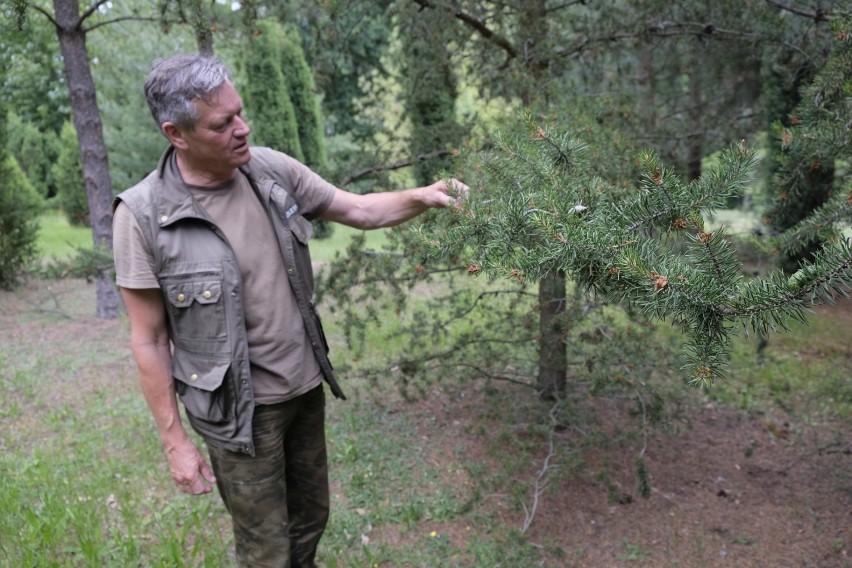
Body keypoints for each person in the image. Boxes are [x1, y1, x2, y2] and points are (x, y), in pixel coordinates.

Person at [112, 54, 466, 567]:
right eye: (223, 123)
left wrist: (424, 195)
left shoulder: (269, 169)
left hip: (303, 391)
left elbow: (359, 210)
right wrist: (175, 443)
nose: (243, 128)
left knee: (310, 521)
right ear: (177, 133)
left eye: (239, 112)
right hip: (239, 411)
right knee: (266, 548)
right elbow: (147, 339)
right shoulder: (143, 216)